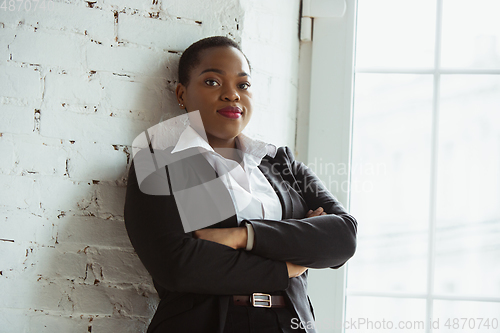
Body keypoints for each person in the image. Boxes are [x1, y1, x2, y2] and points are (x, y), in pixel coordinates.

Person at [124, 36, 357, 333]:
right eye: (212, 82)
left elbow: (343, 237)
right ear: (181, 94)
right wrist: (287, 266)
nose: (231, 95)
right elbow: (179, 266)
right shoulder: (158, 163)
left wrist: (242, 236)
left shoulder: (281, 163)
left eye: (243, 85)